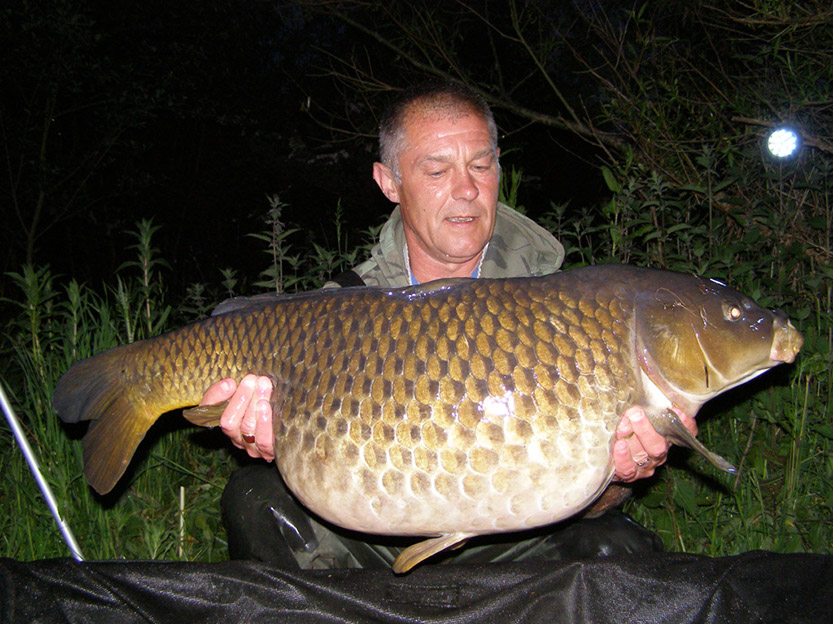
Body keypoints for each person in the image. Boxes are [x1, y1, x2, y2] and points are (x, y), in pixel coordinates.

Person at [200, 80, 696, 568]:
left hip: (519, 531)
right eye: (437, 170)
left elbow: (588, 500)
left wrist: (620, 476)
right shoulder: (343, 313)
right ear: (389, 182)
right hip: (377, 524)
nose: (466, 189)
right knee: (256, 498)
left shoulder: (564, 310)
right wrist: (270, 436)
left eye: (481, 165)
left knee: (617, 553)